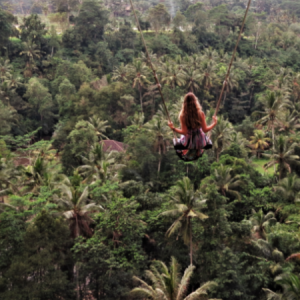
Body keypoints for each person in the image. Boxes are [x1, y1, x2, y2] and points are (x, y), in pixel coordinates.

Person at [168, 92, 218, 161]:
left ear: (184, 103)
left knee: (181, 138)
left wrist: (173, 128)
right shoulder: (201, 114)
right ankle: (197, 152)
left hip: (188, 142)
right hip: (201, 141)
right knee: (201, 139)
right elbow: (205, 130)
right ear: (195, 102)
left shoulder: (183, 116)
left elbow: (184, 132)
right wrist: (214, 124)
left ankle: (189, 153)